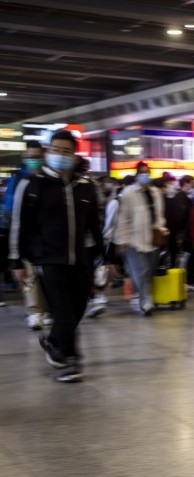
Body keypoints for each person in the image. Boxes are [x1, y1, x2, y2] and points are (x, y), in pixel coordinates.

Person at [7, 130, 103, 382]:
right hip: (48, 259)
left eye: (66, 151)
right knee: (63, 313)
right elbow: (19, 224)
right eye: (55, 150)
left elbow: (95, 225)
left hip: (79, 260)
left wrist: (107, 257)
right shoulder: (32, 185)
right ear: (48, 152)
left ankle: (52, 342)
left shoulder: (85, 188)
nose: (59, 155)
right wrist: (16, 261)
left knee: (78, 309)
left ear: (74, 154)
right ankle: (69, 361)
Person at [110, 161, 167, 316]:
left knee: (148, 272)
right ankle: (145, 301)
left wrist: (161, 229)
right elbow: (123, 218)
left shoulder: (155, 193)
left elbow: (160, 215)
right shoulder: (129, 193)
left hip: (153, 239)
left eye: (147, 171)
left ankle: (141, 296)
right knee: (140, 271)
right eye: (142, 172)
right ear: (136, 175)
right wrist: (122, 240)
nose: (145, 174)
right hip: (134, 240)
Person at [3, 141, 49, 326]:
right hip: (26, 235)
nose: (34, 160)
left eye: (37, 157)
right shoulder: (18, 179)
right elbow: (10, 208)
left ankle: (46, 310)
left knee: (46, 276)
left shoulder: (49, 178)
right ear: (24, 158)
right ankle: (35, 312)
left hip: (48, 237)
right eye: (30, 157)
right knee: (30, 276)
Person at [165, 174, 194, 285]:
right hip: (182, 236)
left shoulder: (183, 197)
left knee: (185, 258)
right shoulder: (181, 198)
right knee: (186, 258)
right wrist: (180, 236)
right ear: (186, 184)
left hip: (182, 235)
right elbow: (180, 218)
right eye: (193, 183)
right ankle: (184, 282)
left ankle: (182, 281)